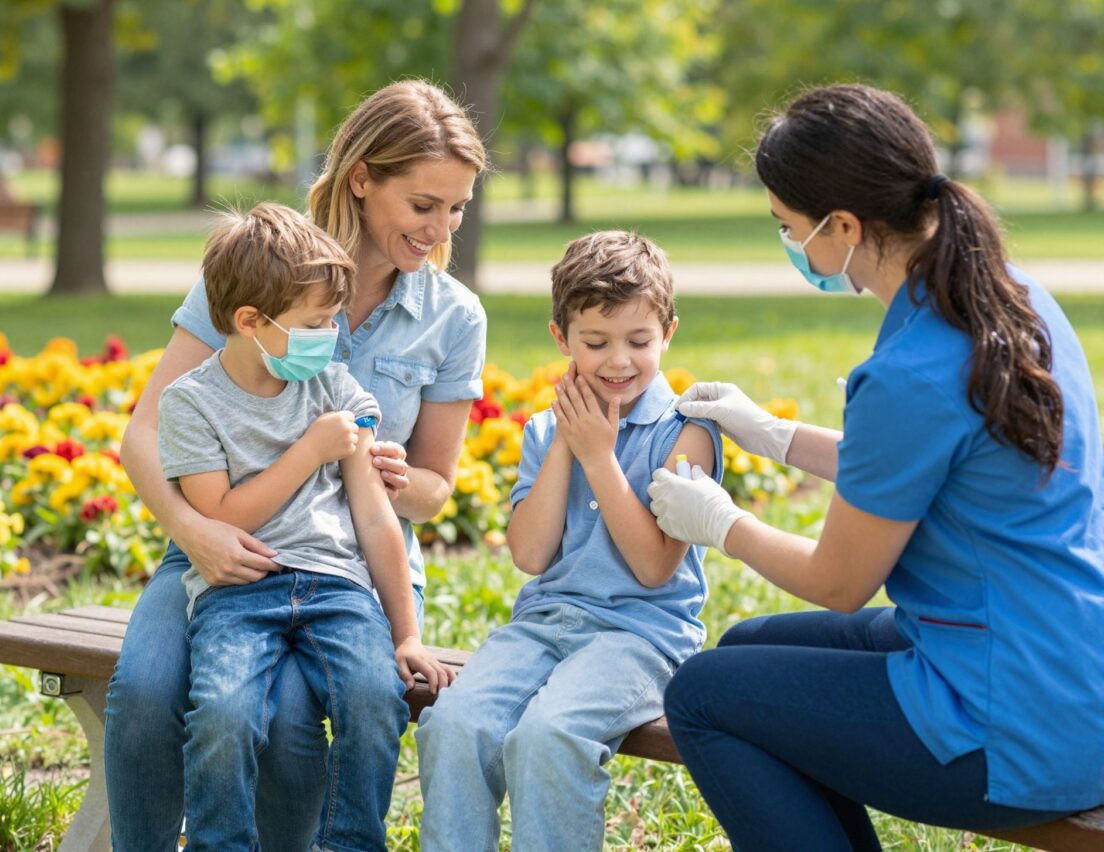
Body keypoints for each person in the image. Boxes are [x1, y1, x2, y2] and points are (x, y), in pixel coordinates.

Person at [648, 83, 1104, 851]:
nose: (792, 245)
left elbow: (838, 581)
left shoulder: (911, 371)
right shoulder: (1015, 302)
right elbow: (930, 464)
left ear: (845, 226)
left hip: (1018, 731)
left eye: (788, 227)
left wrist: (723, 526)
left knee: (700, 693)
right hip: (1065, 664)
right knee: (747, 651)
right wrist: (775, 434)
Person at [106, 80, 488, 852]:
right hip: (225, 545)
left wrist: (390, 476)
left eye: (456, 208)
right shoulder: (258, 268)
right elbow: (145, 430)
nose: (440, 227)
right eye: (423, 205)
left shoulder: (454, 316)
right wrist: (194, 530)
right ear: (362, 178)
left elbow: (434, 491)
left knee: (284, 717)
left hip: (354, 561)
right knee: (144, 691)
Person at [157, 202, 452, 849]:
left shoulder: (336, 390)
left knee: (376, 702)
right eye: (314, 323)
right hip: (239, 594)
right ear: (249, 322)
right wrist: (309, 452)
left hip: (339, 590)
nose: (330, 336)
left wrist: (406, 635)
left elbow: (376, 519)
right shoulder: (191, 403)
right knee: (224, 718)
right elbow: (223, 516)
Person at [416, 230, 723, 851]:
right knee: (453, 722)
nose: (618, 361)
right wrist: (565, 442)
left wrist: (599, 457)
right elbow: (529, 556)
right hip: (543, 626)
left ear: (668, 333)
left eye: (639, 342)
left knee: (548, 736)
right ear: (562, 338)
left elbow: (652, 569)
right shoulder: (545, 430)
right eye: (596, 342)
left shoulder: (686, 434)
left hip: (641, 637)